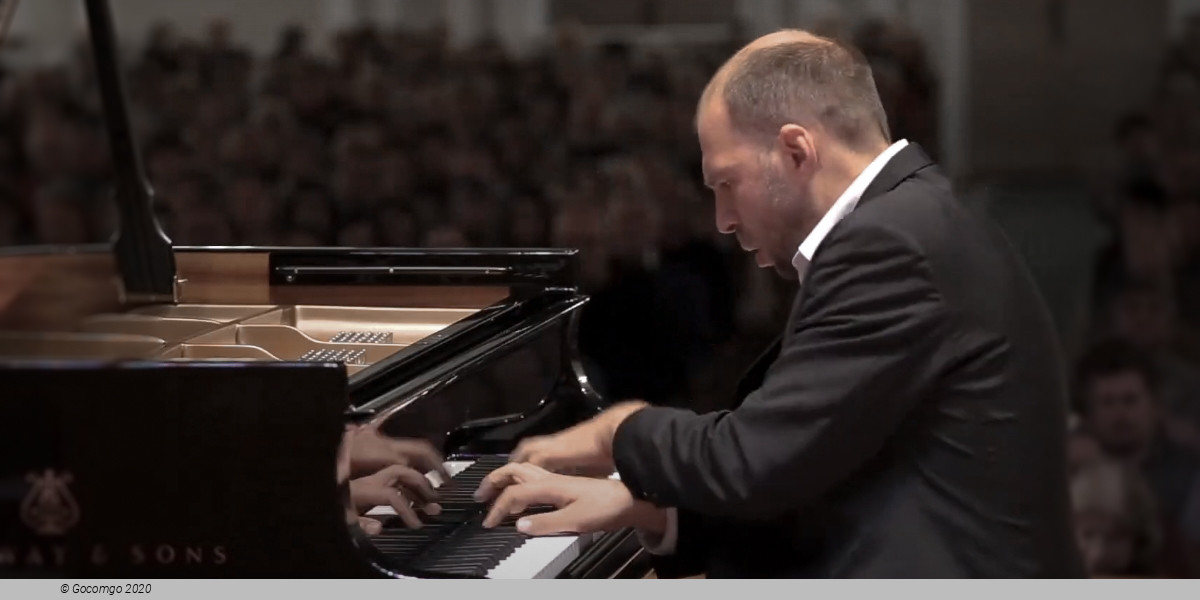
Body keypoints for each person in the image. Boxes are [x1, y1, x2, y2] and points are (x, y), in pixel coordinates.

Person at [473, 29, 1086, 578]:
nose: (722, 221)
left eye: (726, 184)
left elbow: (753, 459)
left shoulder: (888, 242)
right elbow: (827, 464)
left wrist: (618, 429)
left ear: (796, 151)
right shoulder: (916, 217)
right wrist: (655, 514)